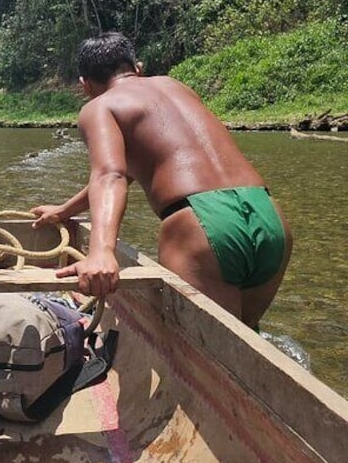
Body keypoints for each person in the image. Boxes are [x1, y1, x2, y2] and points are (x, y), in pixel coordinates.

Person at [31, 32, 292, 328]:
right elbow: (132, 169)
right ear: (137, 67)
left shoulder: (100, 107)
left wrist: (101, 252)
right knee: (245, 339)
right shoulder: (176, 86)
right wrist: (66, 210)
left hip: (205, 226)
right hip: (267, 215)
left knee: (208, 352)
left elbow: (110, 174)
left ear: (85, 85)